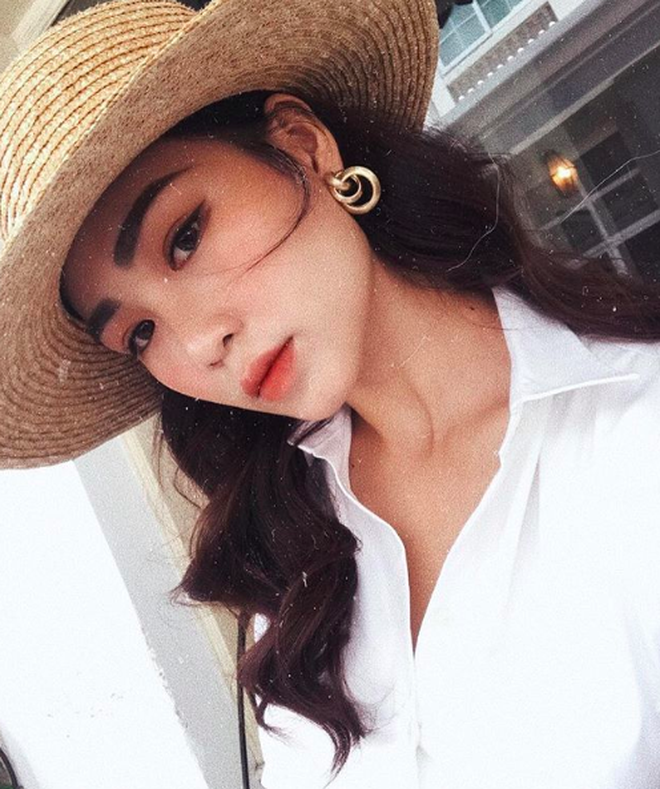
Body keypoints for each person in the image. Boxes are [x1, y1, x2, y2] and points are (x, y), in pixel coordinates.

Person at [2, 1, 660, 788]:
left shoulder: (632, 435)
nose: (196, 343)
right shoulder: (292, 552)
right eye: (139, 333)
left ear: (303, 147)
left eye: (184, 236)